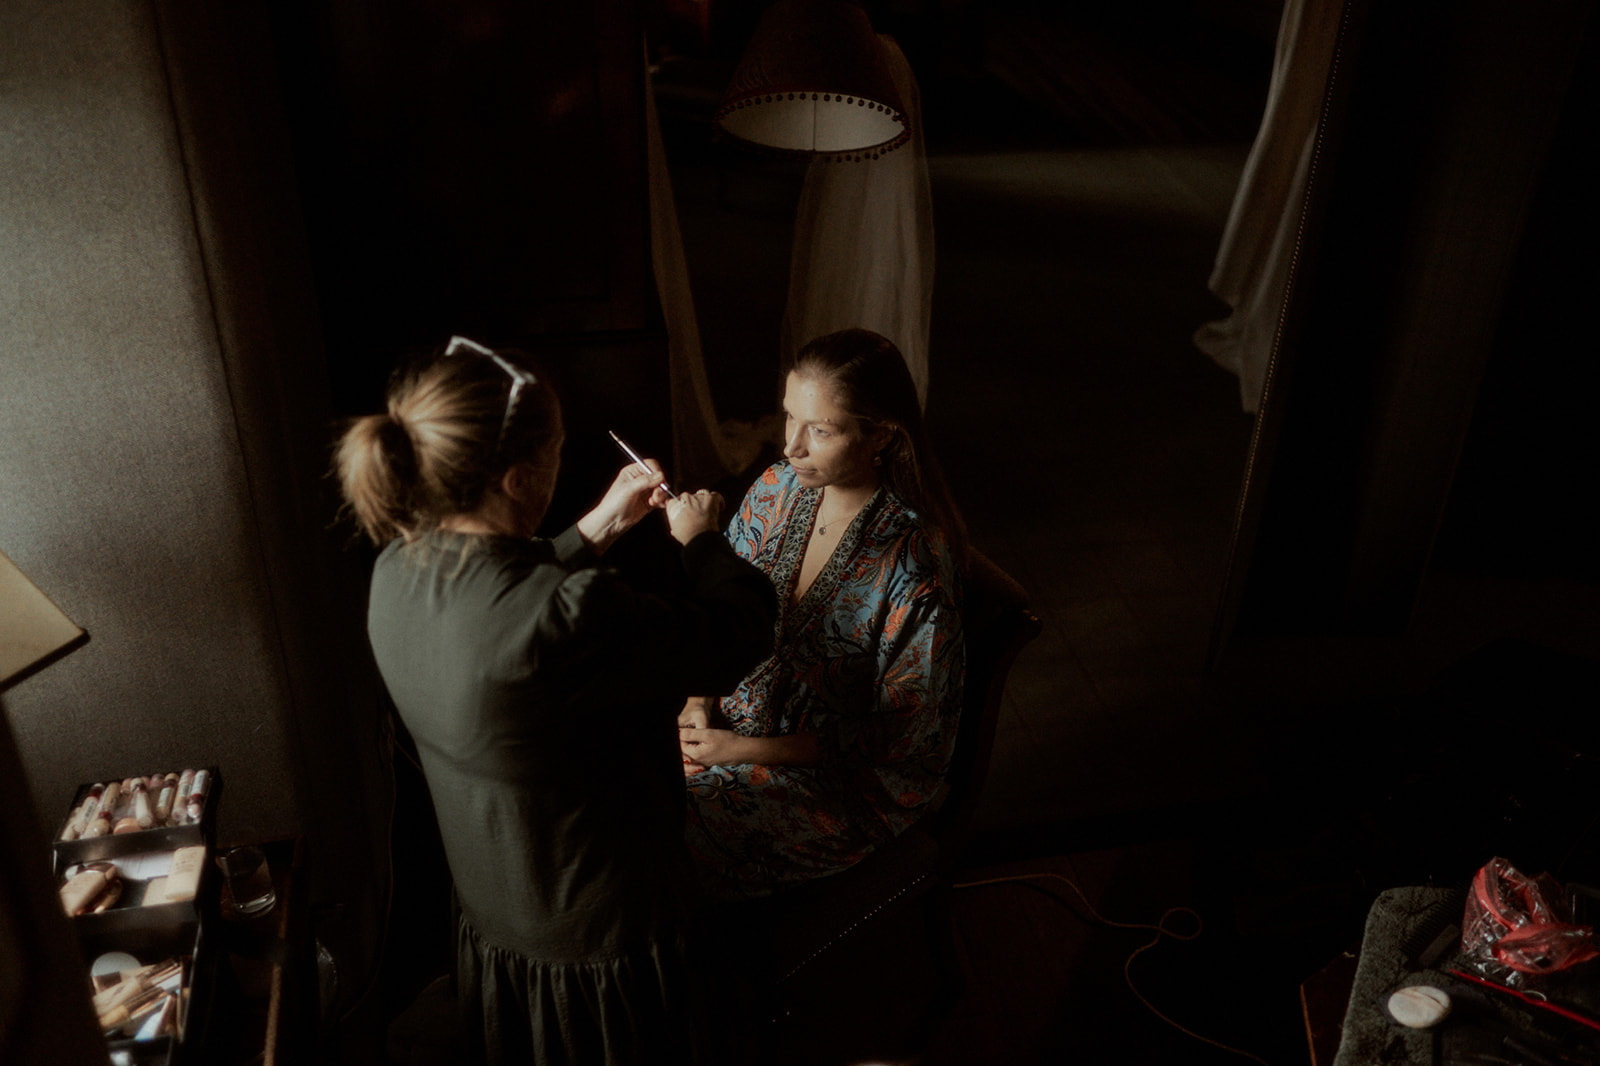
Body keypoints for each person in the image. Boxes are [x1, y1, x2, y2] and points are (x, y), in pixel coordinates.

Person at [336, 337, 776, 1065]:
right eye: (557, 451)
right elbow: (735, 638)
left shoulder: (397, 569)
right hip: (601, 943)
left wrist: (599, 525)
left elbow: (499, 590)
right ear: (517, 480)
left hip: (499, 912)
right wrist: (702, 541)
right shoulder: (570, 615)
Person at [678, 328, 965, 901]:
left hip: (844, 786)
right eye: (789, 418)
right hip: (732, 734)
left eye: (822, 430)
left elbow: (901, 734)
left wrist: (740, 753)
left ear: (880, 434)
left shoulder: (911, 565)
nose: (792, 447)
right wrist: (697, 703)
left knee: (669, 824)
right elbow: (721, 610)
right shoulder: (773, 489)